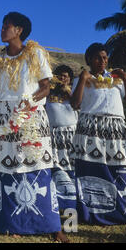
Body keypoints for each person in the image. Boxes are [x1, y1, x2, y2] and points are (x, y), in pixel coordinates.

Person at [0, 12, 69, 242]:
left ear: (19, 30)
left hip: (31, 115)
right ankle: (13, 223)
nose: (1, 29)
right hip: (4, 118)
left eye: (6, 26)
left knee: (38, 165)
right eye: (2, 25)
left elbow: (45, 87)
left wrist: (28, 103)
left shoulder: (35, 53)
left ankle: (52, 225)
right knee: (9, 167)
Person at [70, 42, 126, 227]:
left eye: (105, 58)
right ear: (89, 59)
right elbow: (75, 104)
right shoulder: (82, 79)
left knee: (121, 172)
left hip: (115, 130)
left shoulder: (117, 80)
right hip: (90, 129)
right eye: (97, 57)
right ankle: (91, 214)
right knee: (91, 172)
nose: (102, 61)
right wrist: (82, 79)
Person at [45, 65, 78, 211]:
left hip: (72, 136)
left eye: (65, 76)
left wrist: (70, 94)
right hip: (54, 136)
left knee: (73, 167)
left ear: (70, 79)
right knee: (57, 167)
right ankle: (60, 202)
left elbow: (80, 108)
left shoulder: (75, 94)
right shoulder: (48, 95)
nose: (62, 78)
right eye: (59, 76)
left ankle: (75, 203)